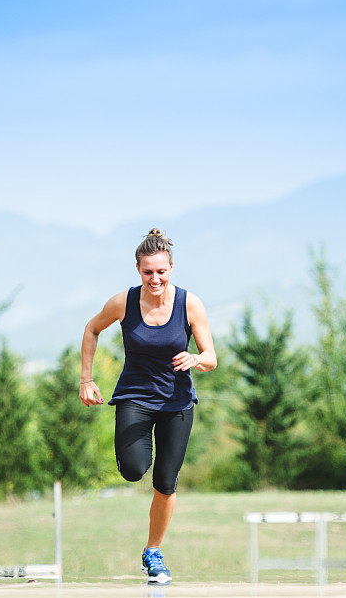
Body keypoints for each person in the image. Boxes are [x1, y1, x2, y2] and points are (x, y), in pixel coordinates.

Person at [79, 228, 217, 584]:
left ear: (171, 268)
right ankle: (140, 458)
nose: (155, 278)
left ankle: (153, 551)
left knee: (166, 482)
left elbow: (212, 357)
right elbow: (92, 328)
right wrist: (86, 378)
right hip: (136, 397)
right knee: (133, 469)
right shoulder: (123, 303)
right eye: (147, 272)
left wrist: (196, 359)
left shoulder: (189, 303)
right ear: (137, 270)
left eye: (161, 271)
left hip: (177, 403)